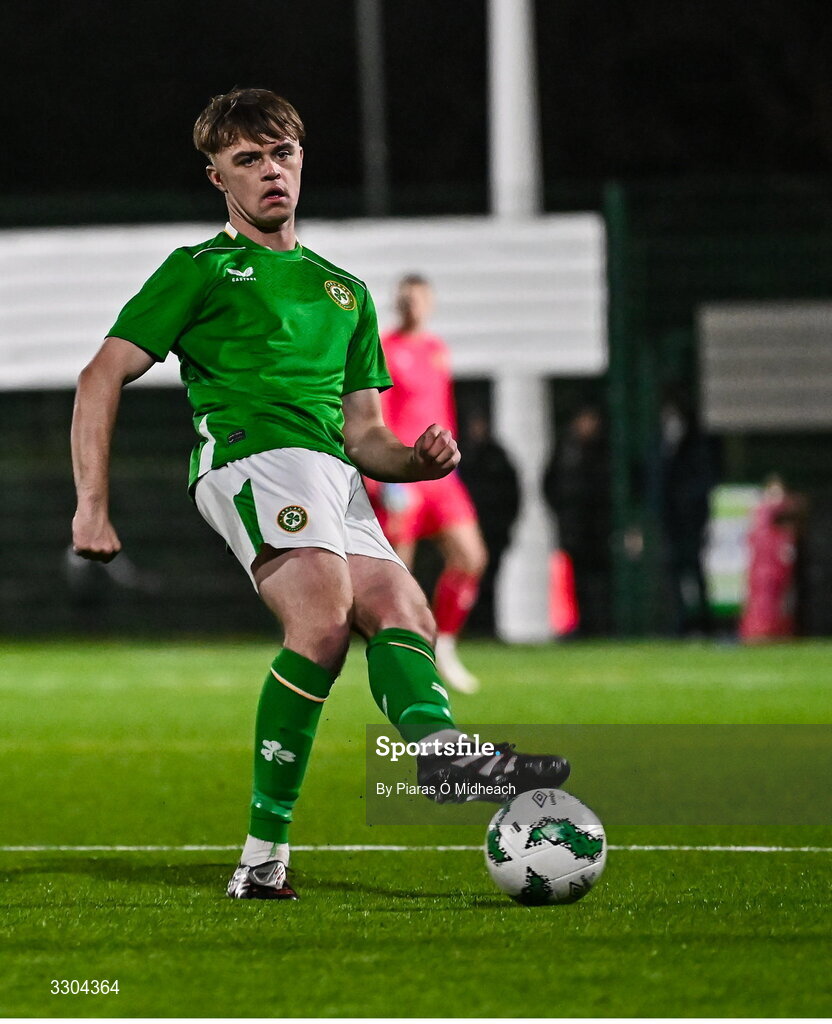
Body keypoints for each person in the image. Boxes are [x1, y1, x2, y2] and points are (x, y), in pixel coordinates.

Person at [70, 88, 569, 901]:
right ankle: (268, 851)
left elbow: (365, 434)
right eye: (248, 160)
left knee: (405, 610)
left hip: (333, 475)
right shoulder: (200, 270)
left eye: (283, 154)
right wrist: (92, 504)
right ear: (216, 179)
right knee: (323, 620)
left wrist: (414, 458)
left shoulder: (345, 291)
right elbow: (101, 376)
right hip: (252, 456)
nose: (271, 173)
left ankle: (435, 755)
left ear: (301, 160)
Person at [367, 276, 488, 692]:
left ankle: (446, 646)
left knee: (471, 557)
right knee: (399, 573)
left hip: (441, 479)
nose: (411, 306)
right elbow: (372, 418)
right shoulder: (384, 348)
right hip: (404, 473)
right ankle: (399, 656)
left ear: (430, 303)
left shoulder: (437, 350)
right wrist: (383, 476)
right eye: (404, 299)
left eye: (417, 299)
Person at [543, 406, 612, 637]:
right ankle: (578, 625)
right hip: (573, 528)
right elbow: (549, 483)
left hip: (597, 528)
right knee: (575, 578)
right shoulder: (566, 449)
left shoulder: (602, 451)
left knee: (598, 579)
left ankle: (599, 625)